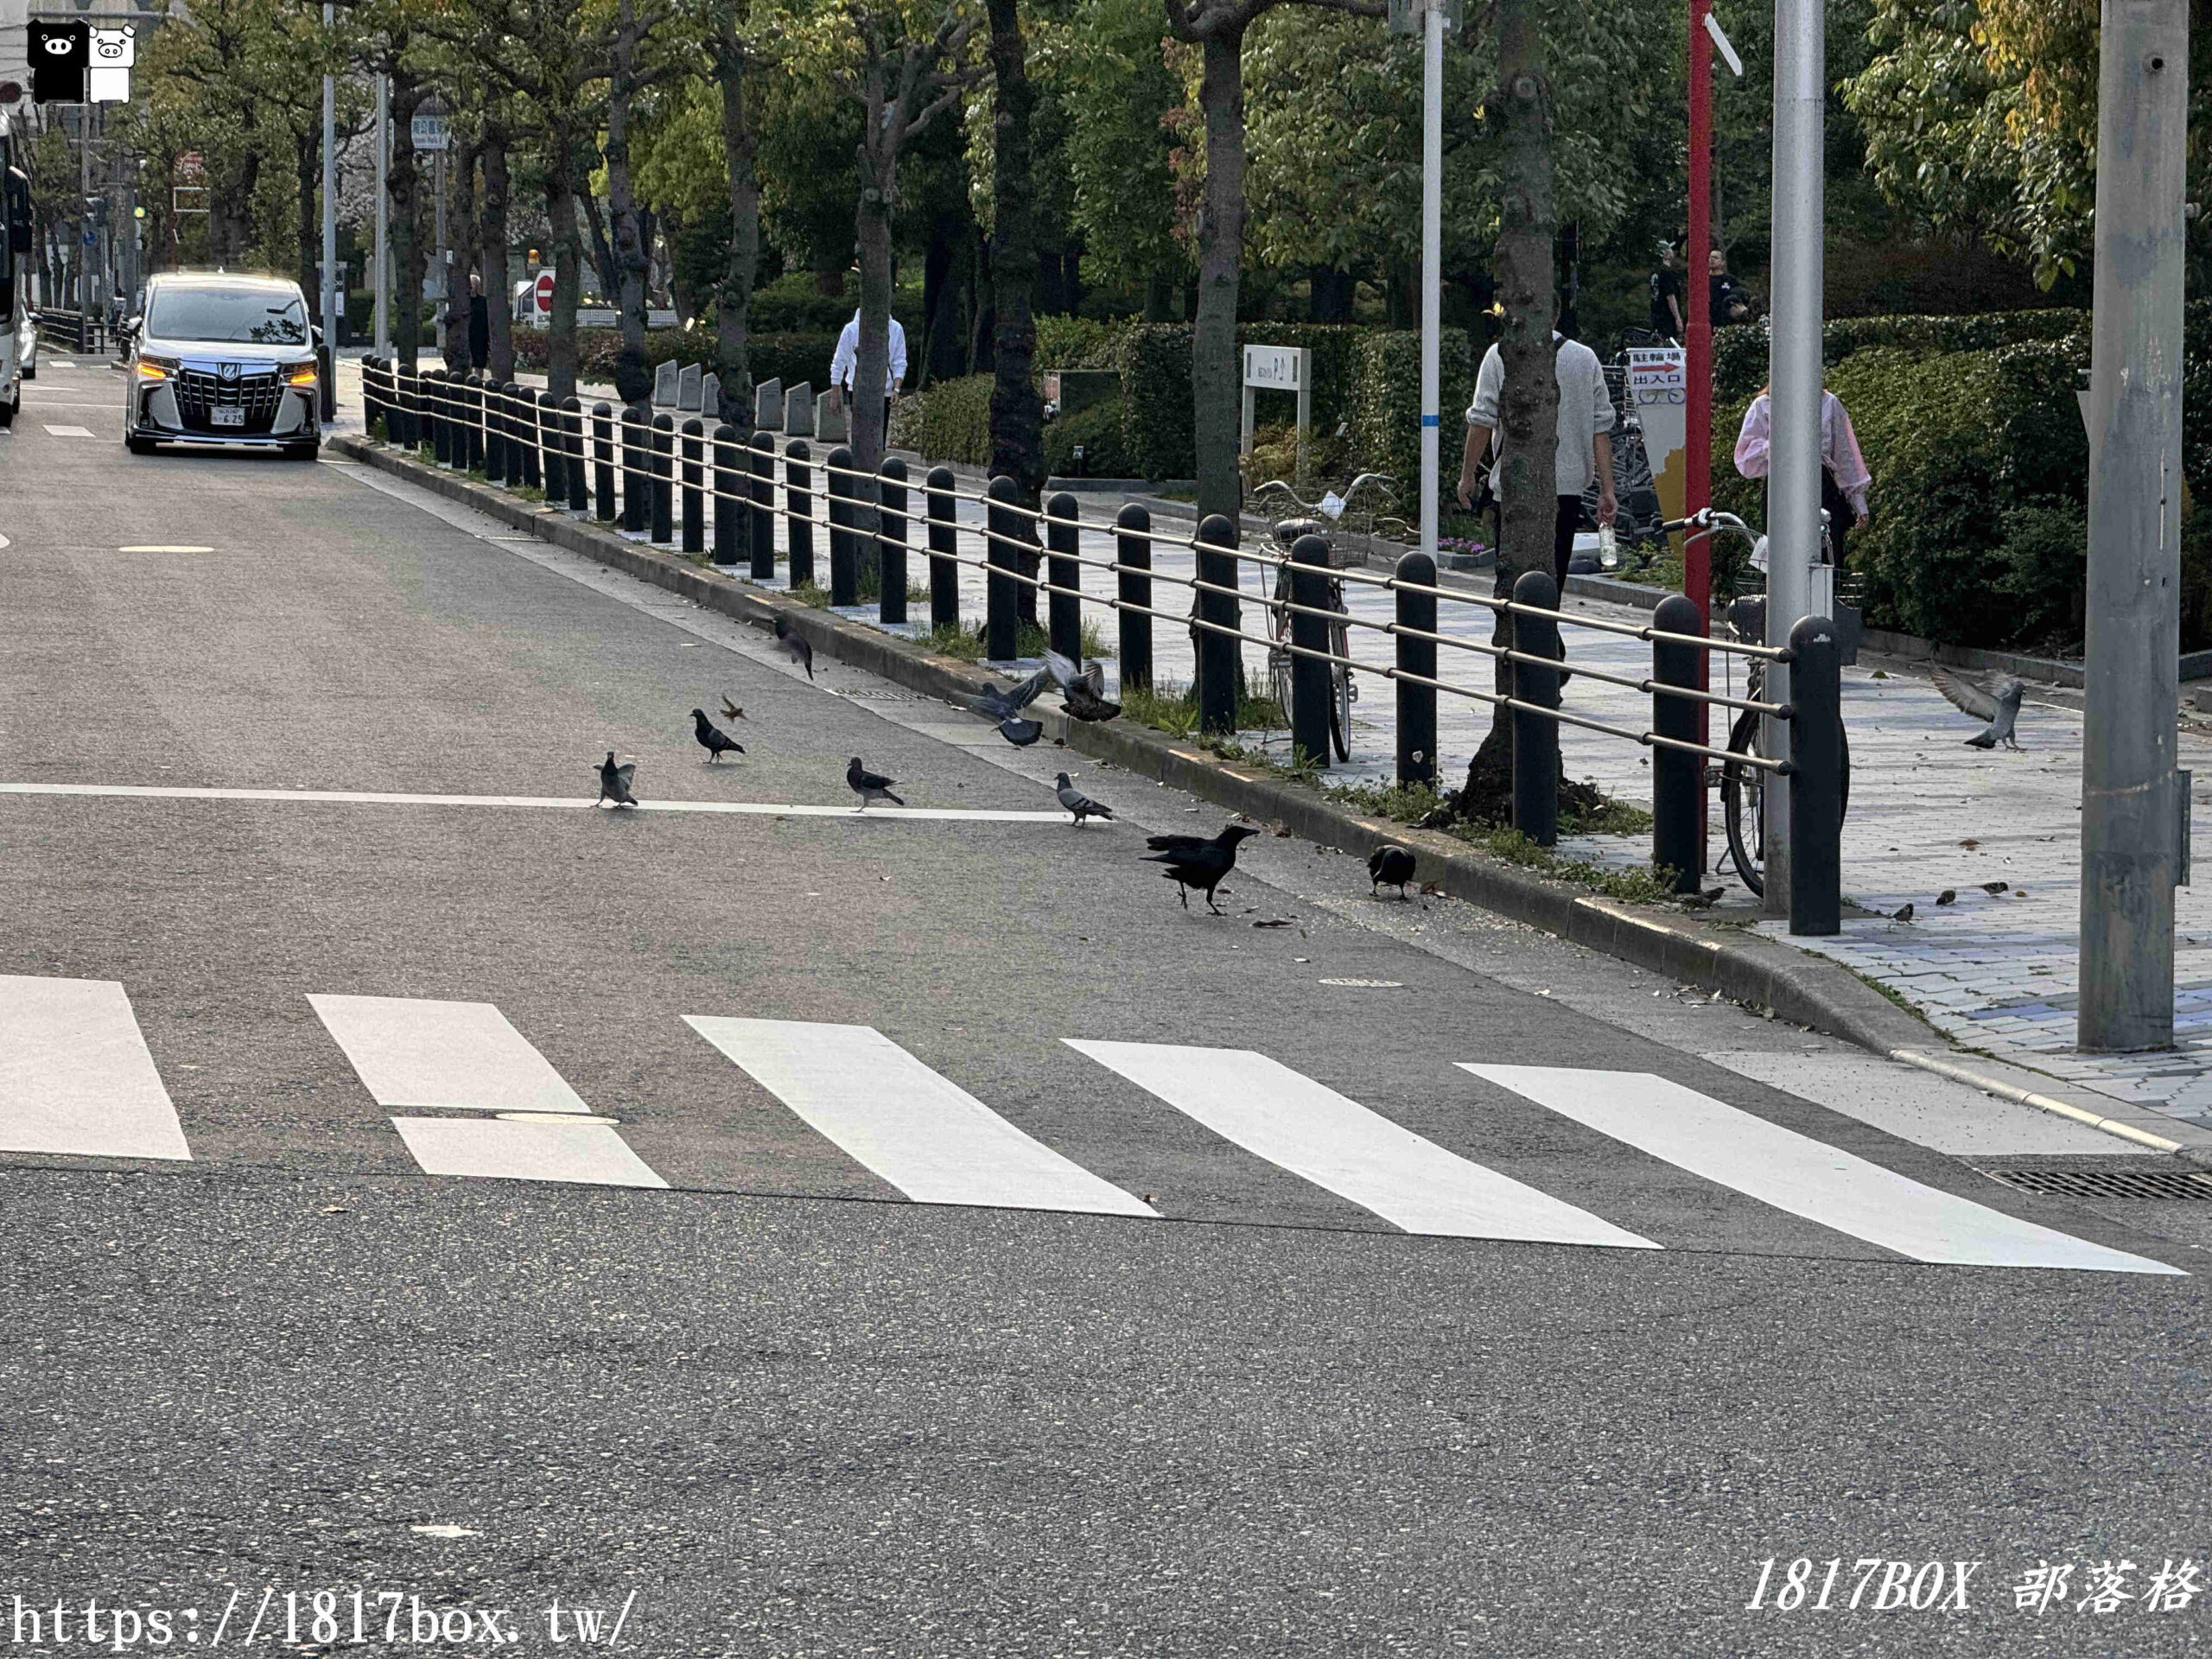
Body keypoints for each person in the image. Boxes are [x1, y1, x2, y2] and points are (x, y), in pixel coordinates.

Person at [1454, 302, 1618, 588]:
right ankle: (1546, 629)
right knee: (1551, 581)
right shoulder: (1585, 359)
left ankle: (1515, 631)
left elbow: (1481, 421)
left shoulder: (1500, 354)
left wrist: (1468, 474)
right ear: (1556, 314)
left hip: (1515, 484)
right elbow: (1599, 430)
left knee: (1512, 581)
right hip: (1567, 487)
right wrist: (1607, 489)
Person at [1732, 382, 1872, 565]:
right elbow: (1745, 459)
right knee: (1780, 554)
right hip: (1780, 483)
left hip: (1821, 484)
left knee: (1825, 552)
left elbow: (1845, 454)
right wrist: (1778, 444)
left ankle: (1823, 593)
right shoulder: (1764, 405)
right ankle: (1779, 593)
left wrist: (1858, 500)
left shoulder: (1829, 403)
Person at [830, 306, 907, 435]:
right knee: (861, 436)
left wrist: (896, 389)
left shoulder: (896, 328)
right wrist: (835, 393)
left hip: (884, 392)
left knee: (878, 437)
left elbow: (899, 361)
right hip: (857, 391)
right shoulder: (851, 329)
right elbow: (839, 361)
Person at [1648, 241, 1684, 343]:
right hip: (1667, 317)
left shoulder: (1654, 271)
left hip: (1655, 314)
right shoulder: (1667, 273)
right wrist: (1677, 318)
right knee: (1668, 345)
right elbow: (1670, 296)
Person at [1708, 248, 1753, 327]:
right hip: (1707, 318)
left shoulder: (1730, 280)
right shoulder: (1703, 279)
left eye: (1716, 258)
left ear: (1723, 262)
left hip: (1724, 320)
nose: (1712, 260)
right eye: (1711, 257)